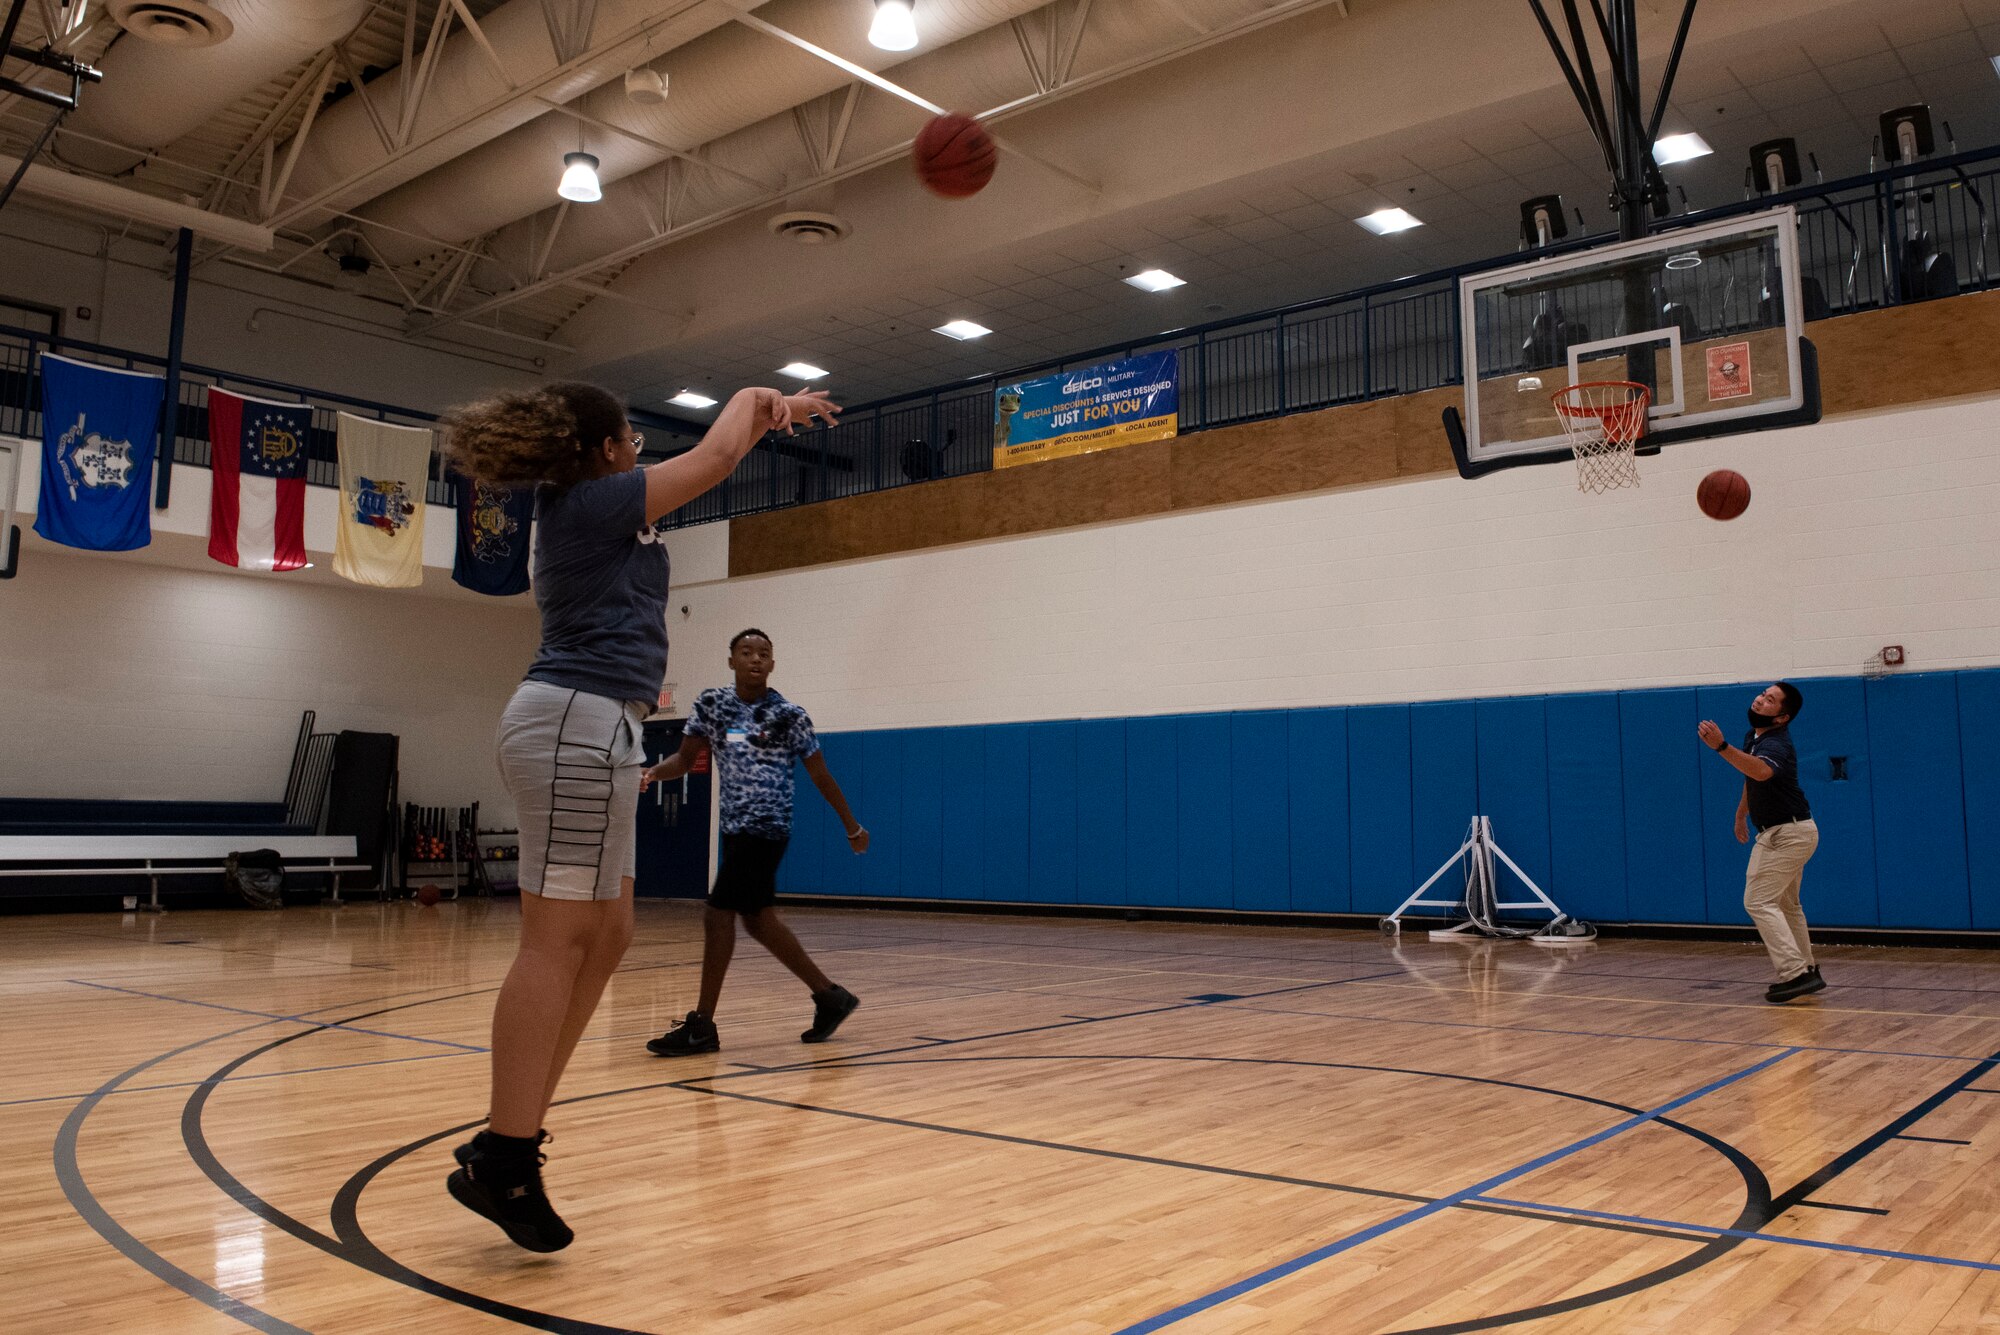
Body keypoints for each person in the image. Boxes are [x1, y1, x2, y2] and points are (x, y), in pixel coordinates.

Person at [438, 381, 837, 1252]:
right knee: (555, 939)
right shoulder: (586, 500)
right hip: (570, 720)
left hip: (602, 720)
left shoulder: (596, 503)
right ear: (605, 448)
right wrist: (759, 398)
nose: (640, 448)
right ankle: (506, 1156)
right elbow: (718, 457)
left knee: (610, 931)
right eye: (631, 435)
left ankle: (509, 1134)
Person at [642, 628, 867, 1056]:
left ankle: (702, 1026)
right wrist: (653, 773)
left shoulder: (789, 715)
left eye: (764, 653)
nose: (755, 659)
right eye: (746, 652)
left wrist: (851, 826)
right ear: (731, 661)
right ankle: (830, 997)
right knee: (759, 921)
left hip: (767, 828)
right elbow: (685, 760)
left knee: (717, 916)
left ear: (773, 664)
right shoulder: (713, 705)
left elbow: (820, 775)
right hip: (735, 829)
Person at [1698, 681, 1824, 1004]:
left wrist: (1721, 747)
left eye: (1770, 700)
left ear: (1782, 717)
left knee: (1757, 901)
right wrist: (1742, 813)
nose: (1760, 700)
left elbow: (1763, 772)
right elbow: (1750, 777)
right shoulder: (1753, 738)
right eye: (1762, 695)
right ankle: (1807, 968)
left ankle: (1795, 973)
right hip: (1784, 831)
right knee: (1786, 905)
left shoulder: (1777, 744)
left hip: (1790, 834)